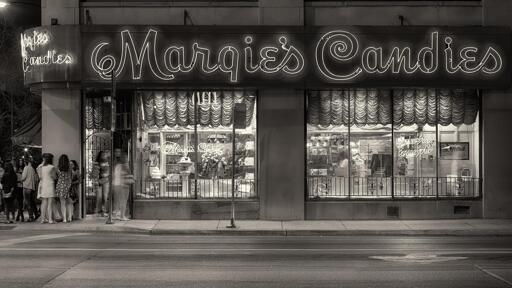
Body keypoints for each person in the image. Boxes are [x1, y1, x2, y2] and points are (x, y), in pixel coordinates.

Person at [38, 153, 58, 224]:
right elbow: (54, 177)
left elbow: (40, 177)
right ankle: (50, 219)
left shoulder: (40, 167)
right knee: (50, 204)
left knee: (43, 203)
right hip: (50, 185)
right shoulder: (52, 167)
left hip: (43, 185)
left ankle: (43, 219)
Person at [113, 154, 132, 221]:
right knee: (124, 201)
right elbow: (126, 175)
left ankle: (115, 215)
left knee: (117, 201)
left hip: (116, 184)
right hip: (123, 185)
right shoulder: (125, 166)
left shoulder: (117, 166)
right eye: (127, 158)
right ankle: (122, 216)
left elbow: (114, 175)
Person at [55, 154, 73, 223]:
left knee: (62, 203)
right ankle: (70, 217)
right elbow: (71, 177)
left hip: (60, 186)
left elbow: (57, 177)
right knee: (69, 203)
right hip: (68, 185)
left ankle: (64, 219)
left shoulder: (58, 168)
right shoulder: (70, 167)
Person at [92, 151, 110, 217]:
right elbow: (94, 173)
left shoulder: (108, 162)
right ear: (100, 155)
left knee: (105, 197)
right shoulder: (97, 163)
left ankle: (103, 211)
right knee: (99, 197)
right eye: (103, 154)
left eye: (105, 154)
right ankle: (97, 210)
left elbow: (109, 172)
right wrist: (96, 181)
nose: (104, 155)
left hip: (106, 181)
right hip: (99, 181)